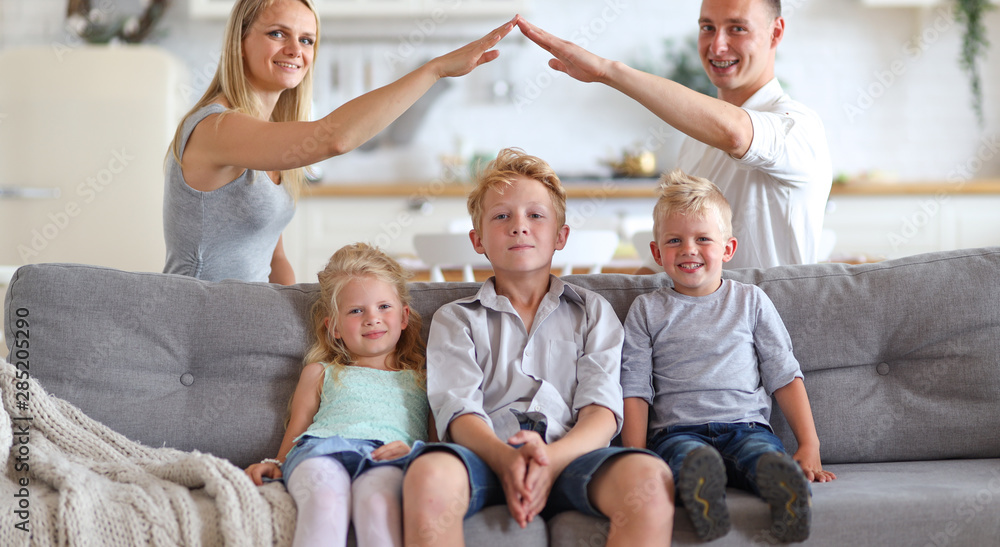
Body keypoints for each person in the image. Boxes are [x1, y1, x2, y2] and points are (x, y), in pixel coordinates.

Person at [403, 148, 674, 547]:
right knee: (428, 476)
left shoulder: (593, 312)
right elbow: (458, 411)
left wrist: (551, 462)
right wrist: (504, 458)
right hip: (485, 454)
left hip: (573, 456)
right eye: (501, 216)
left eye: (535, 215)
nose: (519, 227)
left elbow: (600, 411)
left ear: (561, 236)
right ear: (477, 240)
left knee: (651, 480)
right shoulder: (455, 319)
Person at [164, 0, 516, 283]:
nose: (295, 50)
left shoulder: (269, 137)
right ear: (240, 41)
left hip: (248, 321)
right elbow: (335, 138)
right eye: (277, 33)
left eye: (307, 40)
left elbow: (275, 261)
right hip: (198, 325)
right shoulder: (216, 127)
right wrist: (434, 70)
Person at [517, 0, 831, 270]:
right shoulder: (694, 144)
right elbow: (677, 262)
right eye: (707, 27)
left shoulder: (799, 127)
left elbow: (736, 133)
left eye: (737, 28)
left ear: (775, 33)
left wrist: (608, 72)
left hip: (777, 322)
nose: (717, 45)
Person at [620, 169, 835, 543]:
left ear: (727, 249)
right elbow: (634, 388)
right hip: (677, 432)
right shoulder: (646, 310)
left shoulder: (750, 301)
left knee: (761, 457)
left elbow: (783, 373)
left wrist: (809, 444)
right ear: (656, 253)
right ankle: (706, 500)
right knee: (686, 460)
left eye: (703, 238)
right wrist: (634, 458)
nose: (689, 249)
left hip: (746, 426)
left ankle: (786, 493)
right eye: (675, 240)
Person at [245, 242, 429, 547]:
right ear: (335, 328)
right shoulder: (319, 372)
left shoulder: (423, 379)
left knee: (378, 503)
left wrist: (415, 452)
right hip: (320, 453)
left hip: (388, 459)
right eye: (356, 311)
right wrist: (275, 462)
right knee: (325, 499)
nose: (372, 318)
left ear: (404, 316)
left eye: (384, 306)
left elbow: (438, 443)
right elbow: (297, 430)